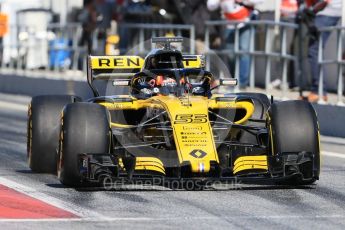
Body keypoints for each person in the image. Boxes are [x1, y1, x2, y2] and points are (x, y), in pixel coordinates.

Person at [207, 0, 264, 89]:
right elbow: (210, 5)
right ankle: (232, 81)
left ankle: (241, 83)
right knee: (230, 54)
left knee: (243, 52)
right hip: (229, 23)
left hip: (246, 21)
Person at [305, 0, 342, 102]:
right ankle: (320, 91)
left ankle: (318, 91)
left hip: (327, 11)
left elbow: (326, 1)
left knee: (314, 50)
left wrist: (313, 9)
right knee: (316, 50)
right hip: (329, 11)